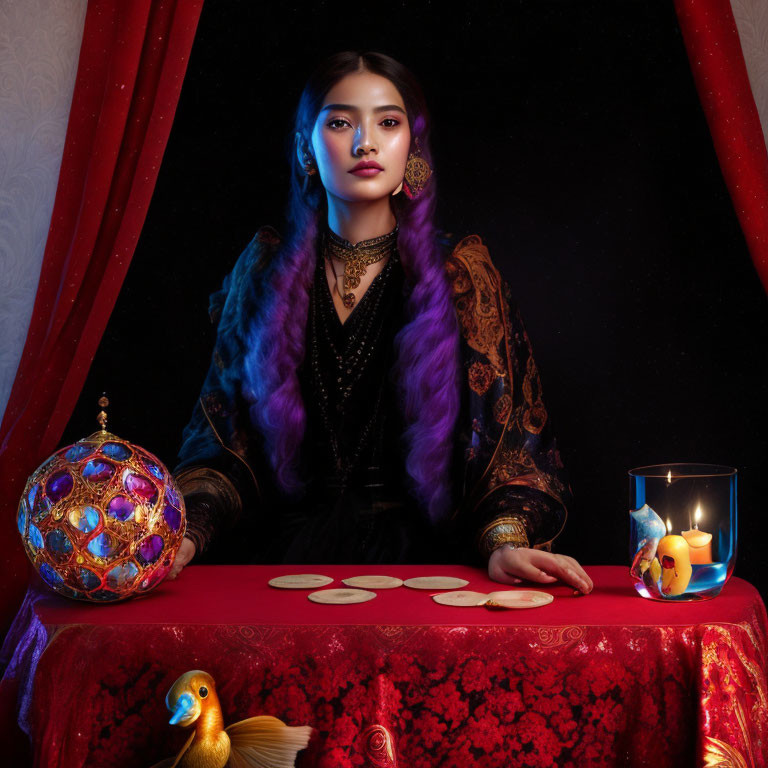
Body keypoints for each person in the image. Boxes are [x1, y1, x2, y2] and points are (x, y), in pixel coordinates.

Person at [167, 51, 593, 595]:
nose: (365, 141)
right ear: (306, 147)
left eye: (388, 123)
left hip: (426, 573)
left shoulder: (460, 276)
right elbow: (223, 444)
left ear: (412, 149)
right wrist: (186, 531)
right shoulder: (264, 273)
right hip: (288, 571)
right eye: (341, 122)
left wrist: (505, 541)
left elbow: (513, 450)